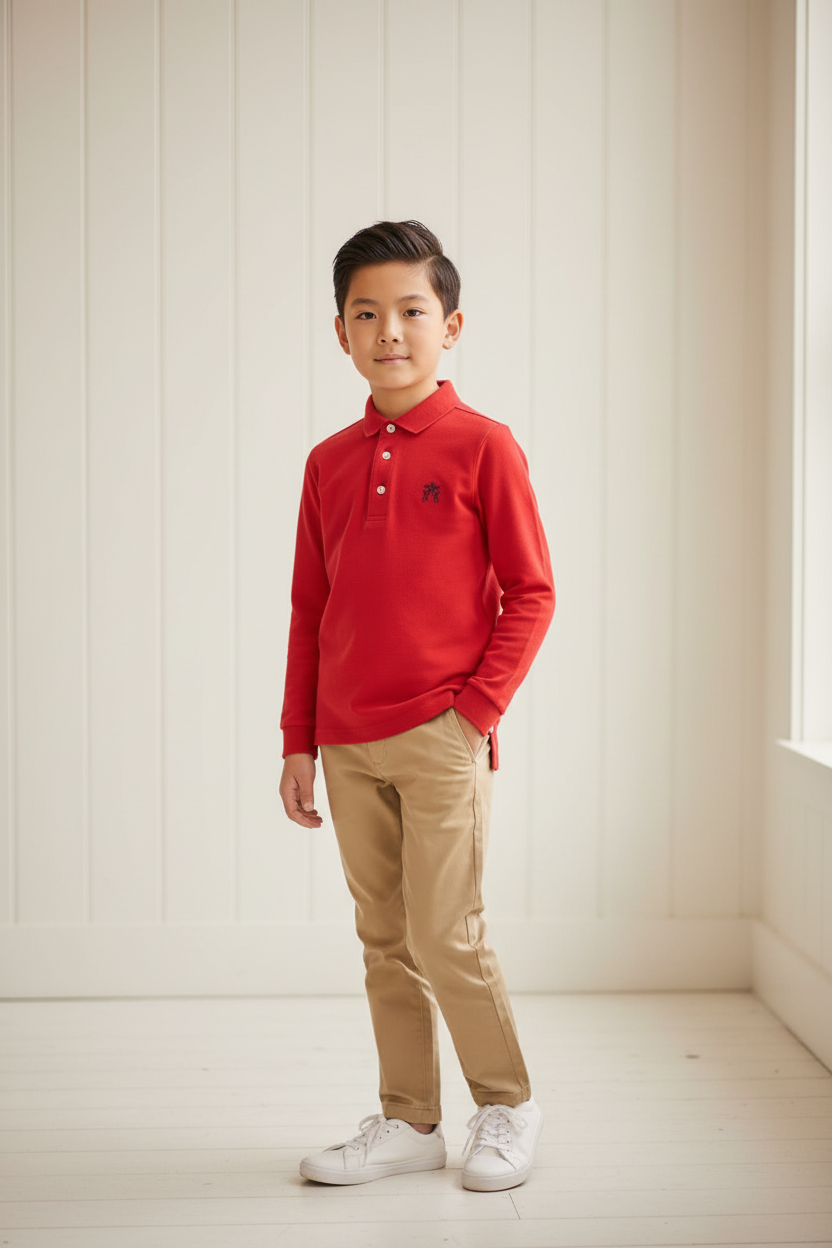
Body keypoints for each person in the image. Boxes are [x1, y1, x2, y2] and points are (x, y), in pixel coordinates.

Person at [278, 220, 555, 1192]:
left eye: (409, 310)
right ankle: (408, 1119)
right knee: (383, 939)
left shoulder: (484, 447)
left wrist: (475, 713)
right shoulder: (327, 462)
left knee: (448, 933)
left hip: (442, 732)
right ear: (341, 332)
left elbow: (532, 591)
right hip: (345, 742)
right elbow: (312, 607)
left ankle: (505, 1108)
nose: (388, 328)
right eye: (366, 312)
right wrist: (298, 740)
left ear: (450, 326)